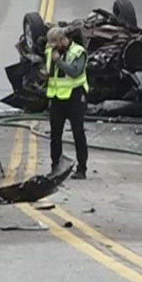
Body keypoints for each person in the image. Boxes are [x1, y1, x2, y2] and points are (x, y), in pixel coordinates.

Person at [45, 26, 89, 178]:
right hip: (57, 98)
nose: (53, 48)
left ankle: (82, 168)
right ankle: (56, 166)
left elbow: (75, 72)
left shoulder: (78, 52)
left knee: (78, 133)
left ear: (63, 40)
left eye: (55, 44)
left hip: (75, 97)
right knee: (55, 135)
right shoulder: (51, 52)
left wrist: (59, 62)